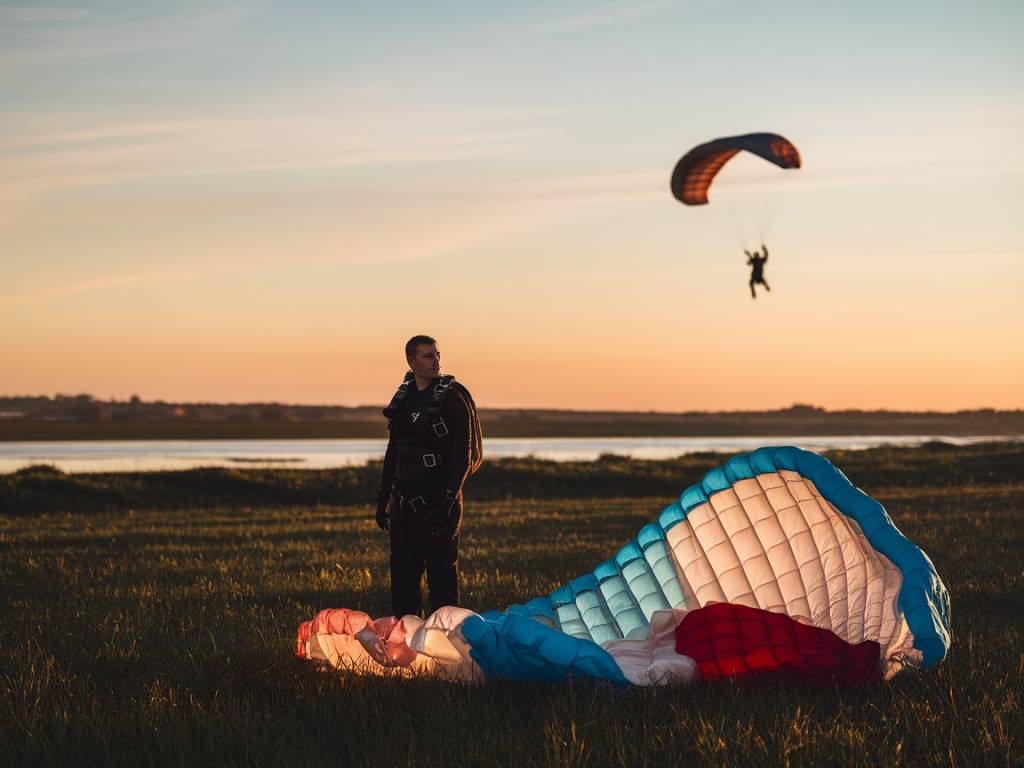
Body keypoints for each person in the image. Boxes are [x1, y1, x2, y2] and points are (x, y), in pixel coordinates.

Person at [375, 335, 478, 619]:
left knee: (442, 579)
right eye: (428, 356)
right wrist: (383, 500)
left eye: (437, 355)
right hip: (403, 504)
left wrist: (446, 503)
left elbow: (463, 459)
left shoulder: (452, 399)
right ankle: (406, 647)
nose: (436, 362)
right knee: (403, 579)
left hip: (439, 503)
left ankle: (447, 650)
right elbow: (393, 451)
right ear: (411, 361)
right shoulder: (403, 400)